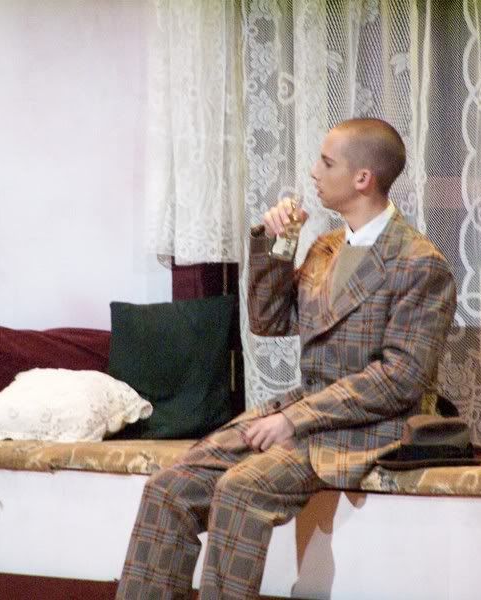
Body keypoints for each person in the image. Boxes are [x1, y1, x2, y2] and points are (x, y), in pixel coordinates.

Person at [115, 118, 457, 599]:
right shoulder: (326, 247)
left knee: (239, 490)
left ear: (363, 178)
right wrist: (280, 244)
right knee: (167, 488)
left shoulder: (419, 264)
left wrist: (296, 420)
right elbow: (269, 321)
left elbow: (399, 379)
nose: (314, 171)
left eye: (326, 162)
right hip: (304, 415)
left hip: (367, 427)